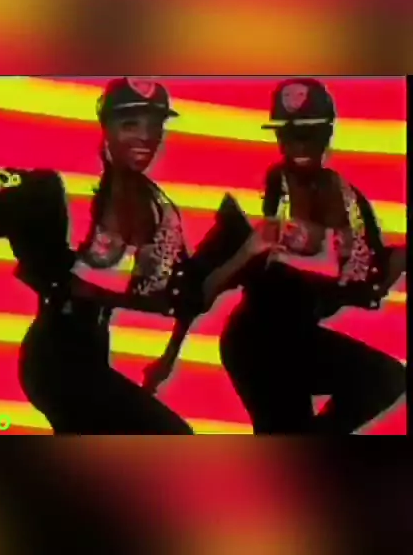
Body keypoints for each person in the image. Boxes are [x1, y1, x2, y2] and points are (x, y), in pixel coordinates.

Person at [144, 78, 406, 435]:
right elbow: (197, 290)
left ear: (328, 133)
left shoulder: (348, 203)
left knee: (384, 379)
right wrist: (168, 357)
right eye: (290, 134)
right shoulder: (257, 201)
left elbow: (367, 280)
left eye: (310, 133)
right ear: (279, 138)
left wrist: (396, 261)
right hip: (255, 343)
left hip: (300, 338)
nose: (300, 144)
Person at [0, 77, 194, 435]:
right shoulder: (59, 188)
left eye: (155, 126)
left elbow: (181, 292)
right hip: (55, 356)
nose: (145, 137)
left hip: (91, 354)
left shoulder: (158, 207)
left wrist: (166, 356)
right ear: (106, 127)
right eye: (130, 124)